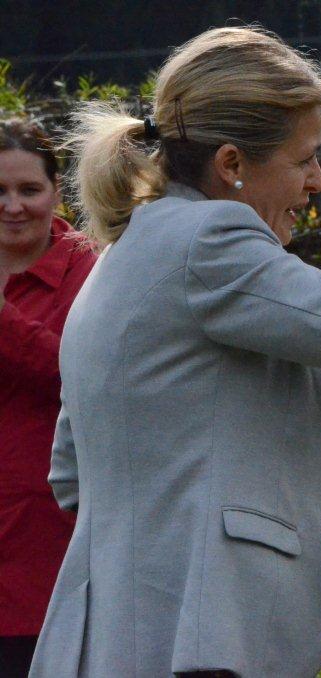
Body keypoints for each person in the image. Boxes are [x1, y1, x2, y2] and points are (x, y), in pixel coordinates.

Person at [29, 26, 321, 677]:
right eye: (304, 159)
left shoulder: (123, 257)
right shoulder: (211, 239)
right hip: (199, 642)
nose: (317, 181)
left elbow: (68, 474)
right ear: (231, 164)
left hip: (112, 639)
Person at [0, 119, 96, 678]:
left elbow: (82, 374)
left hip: (45, 542)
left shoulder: (89, 270)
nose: (13, 206)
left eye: (29, 189)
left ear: (57, 191)